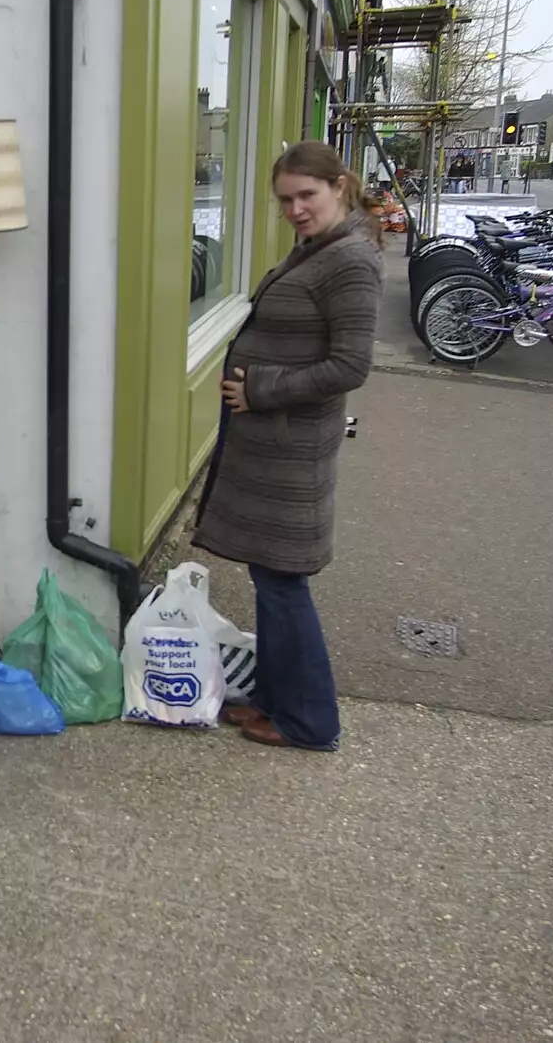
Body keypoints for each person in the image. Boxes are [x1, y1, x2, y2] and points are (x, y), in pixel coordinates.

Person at [191, 141, 382, 752]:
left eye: (307, 195)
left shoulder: (349, 260)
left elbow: (351, 365)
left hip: (291, 446)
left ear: (340, 187)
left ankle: (310, 721)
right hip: (272, 445)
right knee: (269, 575)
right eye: (286, 200)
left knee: (283, 581)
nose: (296, 208)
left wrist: (263, 389)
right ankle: (276, 699)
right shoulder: (320, 248)